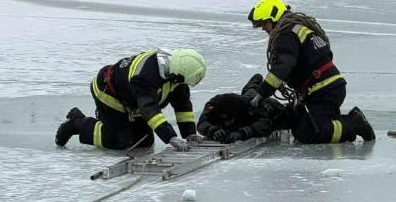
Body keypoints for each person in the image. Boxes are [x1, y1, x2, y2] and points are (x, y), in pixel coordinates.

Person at [246, 0, 375, 144]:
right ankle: (333, 120)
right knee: (299, 127)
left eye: (264, 23)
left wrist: (260, 94)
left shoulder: (286, 34)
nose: (263, 28)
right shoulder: (299, 28)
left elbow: (282, 67)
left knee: (311, 133)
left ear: (274, 17)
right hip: (325, 89)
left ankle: (354, 123)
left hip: (324, 91)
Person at [55, 48, 207, 151]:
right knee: (121, 142)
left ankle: (112, 125)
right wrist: (171, 137)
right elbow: (149, 110)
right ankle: (77, 123)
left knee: (144, 144)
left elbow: (182, 105)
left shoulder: (176, 71)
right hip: (109, 94)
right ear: (178, 75)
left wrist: (189, 134)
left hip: (132, 100)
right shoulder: (145, 75)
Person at [197, 74, 288, 143]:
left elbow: (266, 124)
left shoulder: (253, 107)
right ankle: (255, 82)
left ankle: (256, 83)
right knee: (249, 91)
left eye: (229, 120)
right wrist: (212, 130)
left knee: (253, 93)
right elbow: (202, 122)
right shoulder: (214, 104)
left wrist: (243, 133)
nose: (227, 123)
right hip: (244, 99)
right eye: (224, 120)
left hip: (270, 108)